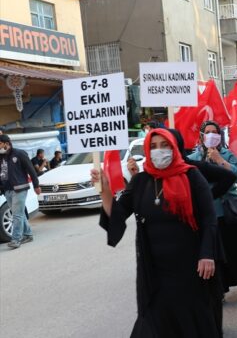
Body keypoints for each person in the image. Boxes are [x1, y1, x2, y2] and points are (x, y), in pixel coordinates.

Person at [93, 129, 222, 337]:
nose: (158, 151)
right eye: (153, 146)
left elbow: (209, 220)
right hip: (153, 269)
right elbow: (117, 214)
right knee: (154, 323)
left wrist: (207, 254)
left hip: (190, 267)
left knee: (191, 320)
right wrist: (105, 190)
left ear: (173, 148)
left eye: (164, 145)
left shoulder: (191, 176)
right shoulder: (141, 181)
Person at [189, 120, 237, 296]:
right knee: (215, 254)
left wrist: (220, 161)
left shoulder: (227, 154)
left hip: (229, 211)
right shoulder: (194, 159)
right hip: (208, 214)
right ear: (202, 136)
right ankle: (219, 289)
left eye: (215, 132)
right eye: (208, 132)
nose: (211, 135)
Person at [0, 135, 40, 249]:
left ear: (6, 143)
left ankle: (16, 239)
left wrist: (36, 185)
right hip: (7, 189)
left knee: (16, 215)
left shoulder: (19, 153)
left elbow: (31, 170)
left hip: (20, 188)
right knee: (19, 214)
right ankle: (28, 234)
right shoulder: (1, 156)